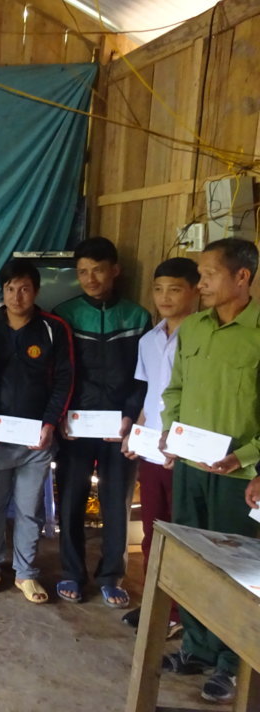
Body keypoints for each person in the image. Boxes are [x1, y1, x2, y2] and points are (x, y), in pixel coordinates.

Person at [159, 239, 260, 704]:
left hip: (238, 477)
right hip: (191, 467)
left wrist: (249, 459)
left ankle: (232, 662)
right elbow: (175, 389)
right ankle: (197, 647)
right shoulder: (195, 328)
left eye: (209, 274)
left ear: (242, 277)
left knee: (235, 571)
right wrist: (170, 429)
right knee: (192, 563)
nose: (200, 284)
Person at [53, 236, 149, 606]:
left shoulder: (137, 317)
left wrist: (130, 417)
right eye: (82, 272)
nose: (90, 279)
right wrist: (61, 415)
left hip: (119, 429)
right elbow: (59, 373)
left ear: (115, 270)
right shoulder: (64, 314)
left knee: (116, 502)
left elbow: (143, 375)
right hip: (75, 427)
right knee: (71, 500)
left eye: (97, 270)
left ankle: (112, 575)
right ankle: (71, 572)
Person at [0, 259, 73, 604]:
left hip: (36, 440)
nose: (17, 296)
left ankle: (25, 573)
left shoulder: (53, 328)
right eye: (10, 289)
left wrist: (50, 423)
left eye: (25, 289)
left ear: (37, 291)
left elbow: (64, 379)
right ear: (2, 292)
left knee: (30, 509)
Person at [119, 257, 198, 628]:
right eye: (158, 289)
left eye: (175, 289)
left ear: (196, 291)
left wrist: (182, 444)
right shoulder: (149, 340)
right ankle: (156, 605)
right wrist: (135, 434)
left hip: (186, 453)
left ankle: (183, 614)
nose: (165, 297)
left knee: (185, 535)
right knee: (153, 530)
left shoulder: (201, 338)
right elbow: (149, 396)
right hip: (152, 450)